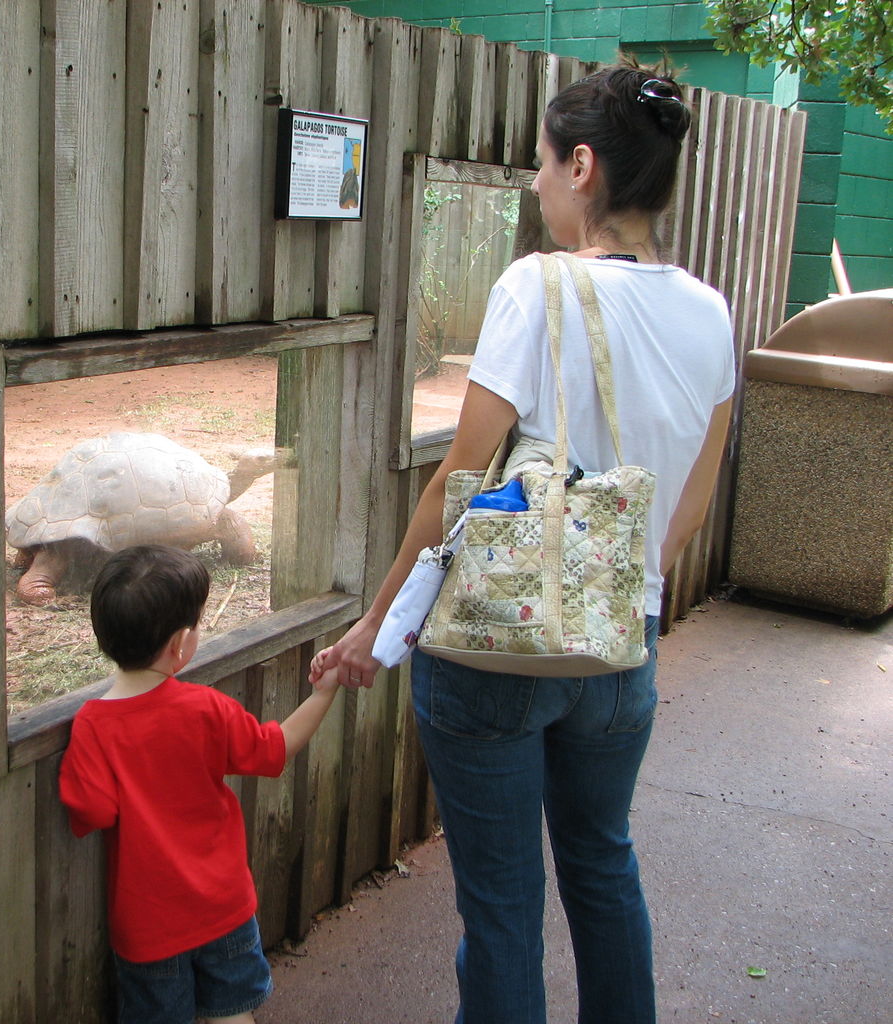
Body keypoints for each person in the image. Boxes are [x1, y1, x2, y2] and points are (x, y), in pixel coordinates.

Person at [310, 62, 735, 1024]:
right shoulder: (709, 312)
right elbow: (689, 508)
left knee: (501, 909)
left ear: (581, 165)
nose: (535, 182)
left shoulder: (534, 287)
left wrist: (375, 629)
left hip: (496, 654)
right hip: (620, 649)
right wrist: (610, 596)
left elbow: (457, 481)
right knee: (601, 867)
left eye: (540, 165)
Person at [60, 544, 342, 1024]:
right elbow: (275, 750)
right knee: (233, 1015)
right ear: (180, 645)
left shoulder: (92, 726)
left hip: (148, 929)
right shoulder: (206, 708)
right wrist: (325, 690)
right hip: (224, 907)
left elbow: (92, 814)